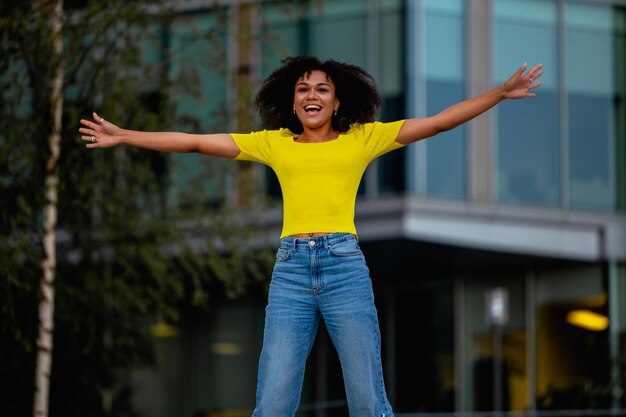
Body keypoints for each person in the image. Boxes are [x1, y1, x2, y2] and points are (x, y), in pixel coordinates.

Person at [80, 56, 543, 417]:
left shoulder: (362, 138)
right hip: (291, 274)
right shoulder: (274, 143)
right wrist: (125, 136)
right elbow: (196, 141)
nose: (312, 95)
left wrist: (500, 93)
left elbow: (439, 121)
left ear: (338, 102)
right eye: (303, 90)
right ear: (293, 101)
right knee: (274, 402)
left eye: (322, 89)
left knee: (366, 399)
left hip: (344, 267)